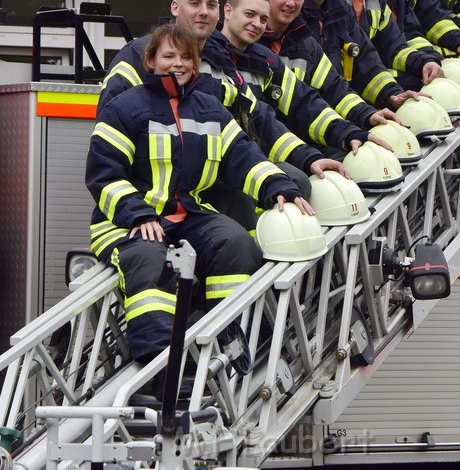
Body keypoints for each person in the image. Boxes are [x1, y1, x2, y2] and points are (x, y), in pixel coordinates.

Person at [86, 23, 315, 366]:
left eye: (185, 57)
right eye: (168, 56)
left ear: (195, 63)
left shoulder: (209, 109)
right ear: (150, 61)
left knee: (236, 242)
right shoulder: (124, 108)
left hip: (189, 214)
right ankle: (158, 365)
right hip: (128, 221)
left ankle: (229, 341)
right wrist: (139, 214)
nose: (177, 64)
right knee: (150, 260)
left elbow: (243, 157)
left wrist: (278, 186)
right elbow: (104, 174)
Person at [97, 0, 348, 195]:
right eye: (195, 3)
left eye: (210, 5)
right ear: (175, 7)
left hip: (216, 173)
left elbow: (258, 117)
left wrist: (309, 158)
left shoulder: (222, 59)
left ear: (220, 11)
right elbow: (110, 123)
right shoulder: (139, 53)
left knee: (295, 182)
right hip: (155, 185)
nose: (204, 12)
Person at [216, 0, 387, 158]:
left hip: (263, 157)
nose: (256, 24)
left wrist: (349, 132)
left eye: (263, 19)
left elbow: (305, 103)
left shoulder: (266, 60)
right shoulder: (205, 57)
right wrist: (307, 159)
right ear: (228, 11)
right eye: (249, 14)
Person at [260, 0, 401, 131]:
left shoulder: (307, 43)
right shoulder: (248, 41)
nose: (291, 3)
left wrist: (368, 115)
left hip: (304, 141)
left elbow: (335, 90)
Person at [300, 0, 422, 110]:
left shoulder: (340, 7)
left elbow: (366, 60)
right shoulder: (290, 9)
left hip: (337, 113)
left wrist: (393, 95)